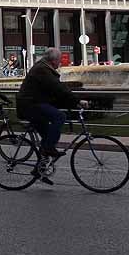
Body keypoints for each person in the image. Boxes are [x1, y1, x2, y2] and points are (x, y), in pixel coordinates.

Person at [17, 47, 88, 182]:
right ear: (53, 60)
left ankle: (40, 170)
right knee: (59, 117)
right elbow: (58, 88)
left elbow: (55, 92)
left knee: (47, 136)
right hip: (30, 106)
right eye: (59, 60)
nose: (60, 63)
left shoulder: (44, 68)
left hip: (33, 104)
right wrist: (77, 101)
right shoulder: (42, 70)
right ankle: (48, 150)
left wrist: (71, 102)